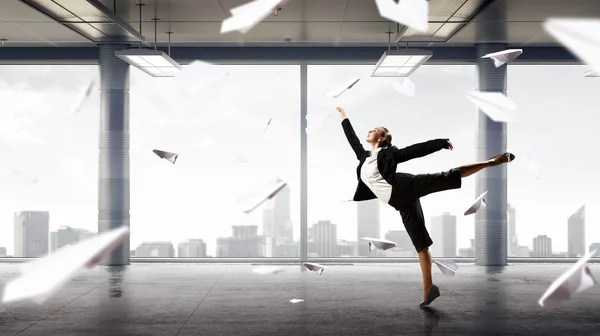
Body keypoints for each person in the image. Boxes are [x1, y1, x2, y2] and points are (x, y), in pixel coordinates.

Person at [336, 107, 515, 306]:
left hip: (405, 185)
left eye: (374, 129)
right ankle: (429, 290)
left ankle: (490, 162)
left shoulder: (389, 153)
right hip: (399, 203)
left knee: (446, 176)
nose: (369, 131)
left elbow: (414, 150)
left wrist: (440, 144)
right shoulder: (363, 157)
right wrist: (344, 117)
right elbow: (352, 139)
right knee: (420, 244)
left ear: (381, 138)